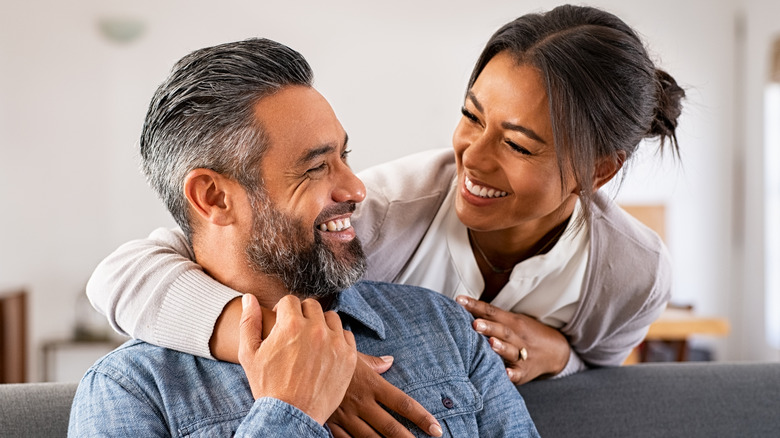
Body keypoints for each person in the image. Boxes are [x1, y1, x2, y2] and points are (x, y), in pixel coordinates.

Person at [88, 0, 683, 420]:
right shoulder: (380, 211)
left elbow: (599, 378)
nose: (473, 158)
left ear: (598, 171)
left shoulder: (633, 272)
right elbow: (130, 272)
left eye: (519, 145)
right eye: (471, 116)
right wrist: (297, 356)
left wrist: (560, 356)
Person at [68, 38, 540, 437]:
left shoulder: (445, 327)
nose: (356, 189)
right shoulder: (130, 390)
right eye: (315, 168)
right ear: (213, 197)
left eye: (344, 157)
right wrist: (288, 411)